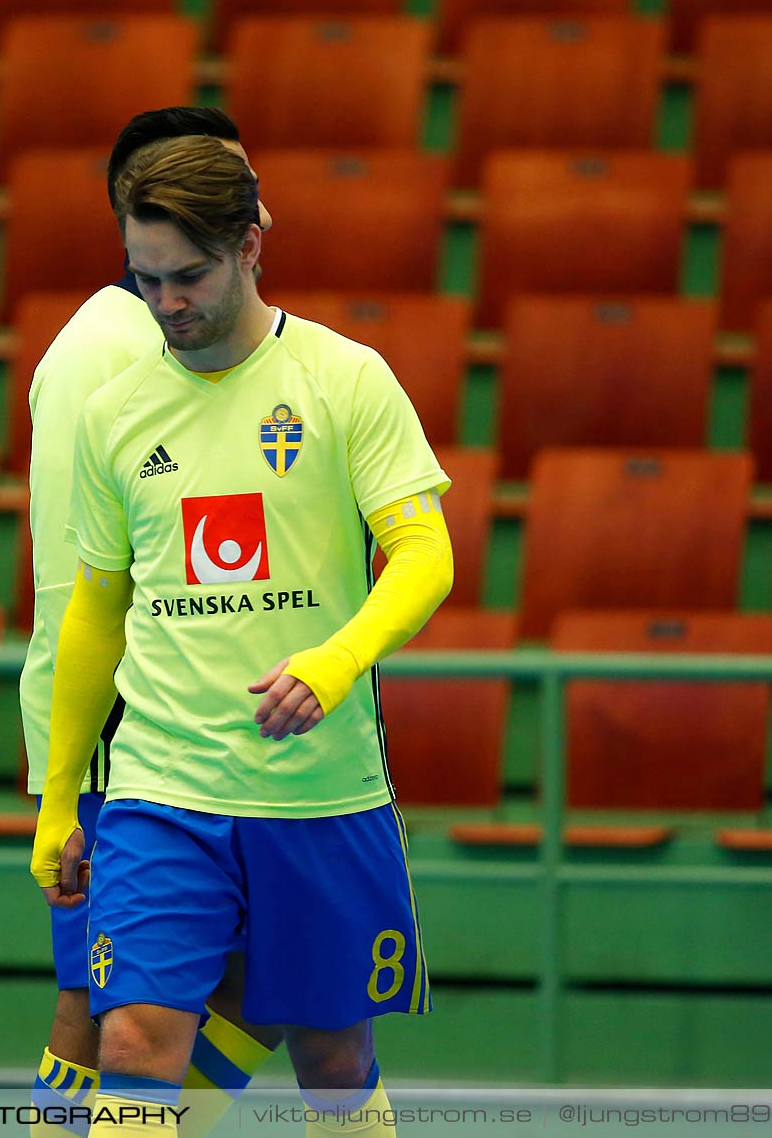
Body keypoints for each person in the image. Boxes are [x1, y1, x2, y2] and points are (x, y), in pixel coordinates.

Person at [31, 135, 454, 1138]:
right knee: (133, 1043)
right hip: (160, 790)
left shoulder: (346, 380)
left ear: (252, 244)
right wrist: (57, 797)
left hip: (321, 793)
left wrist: (335, 659)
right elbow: (96, 608)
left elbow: (426, 555)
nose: (169, 302)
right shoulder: (113, 414)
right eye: (148, 279)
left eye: (191, 275)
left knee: (333, 1056)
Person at [21, 108, 283, 1137]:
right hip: (125, 733)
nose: (252, 202)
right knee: (100, 1013)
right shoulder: (120, 347)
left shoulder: (172, 337)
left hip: (143, 728)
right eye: (229, 180)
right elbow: (105, 584)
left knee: (234, 986)